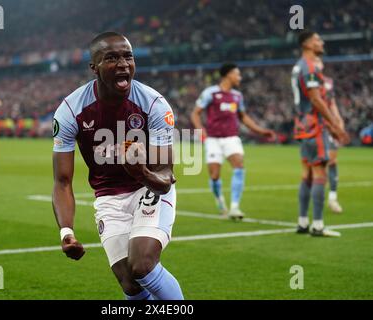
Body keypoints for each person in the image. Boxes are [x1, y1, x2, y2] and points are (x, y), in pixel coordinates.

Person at [52, 32, 184, 300]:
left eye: (128, 56)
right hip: (108, 197)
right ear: (94, 68)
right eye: (111, 58)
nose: (123, 64)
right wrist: (67, 231)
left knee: (142, 266)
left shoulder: (154, 105)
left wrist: (142, 172)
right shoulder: (70, 110)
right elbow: (62, 181)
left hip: (147, 189)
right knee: (130, 284)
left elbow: (165, 176)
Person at [190, 63, 275, 219]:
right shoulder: (211, 93)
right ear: (228, 75)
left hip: (231, 137)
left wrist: (260, 131)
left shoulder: (237, 96)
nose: (239, 77)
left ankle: (235, 207)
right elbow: (195, 113)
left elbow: (243, 117)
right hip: (213, 139)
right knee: (215, 175)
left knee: (239, 165)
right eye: (237, 74)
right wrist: (201, 131)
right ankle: (220, 201)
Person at [291, 31, 350, 237]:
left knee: (306, 175)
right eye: (317, 39)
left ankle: (302, 222)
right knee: (319, 174)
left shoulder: (298, 66)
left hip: (302, 126)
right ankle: (317, 225)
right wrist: (335, 125)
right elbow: (316, 99)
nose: (321, 42)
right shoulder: (310, 67)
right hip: (315, 126)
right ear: (307, 44)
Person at [314, 56, 345, 213]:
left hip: (328, 127)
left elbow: (332, 102)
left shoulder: (328, 82)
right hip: (313, 126)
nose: (318, 64)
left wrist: (338, 120)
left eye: (319, 61)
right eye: (315, 62)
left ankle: (332, 198)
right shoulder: (308, 80)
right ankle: (315, 201)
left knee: (332, 161)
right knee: (316, 165)